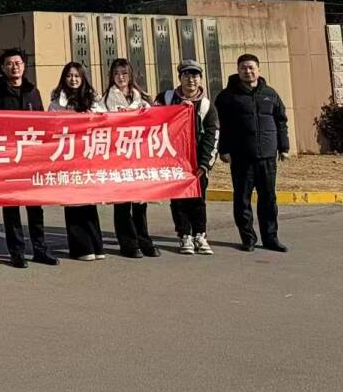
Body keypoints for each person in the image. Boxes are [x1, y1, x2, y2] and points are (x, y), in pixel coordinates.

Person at [0, 47, 59, 269]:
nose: (14, 67)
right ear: (3, 67)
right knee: (11, 207)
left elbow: (43, 123)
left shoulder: (33, 91)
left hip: (31, 157)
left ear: (24, 66)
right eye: (9, 64)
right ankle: (16, 252)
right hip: (8, 157)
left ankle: (40, 249)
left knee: (35, 207)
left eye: (17, 63)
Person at [215, 53, 290, 253]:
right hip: (241, 157)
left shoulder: (270, 94)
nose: (247, 71)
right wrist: (223, 150)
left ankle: (270, 238)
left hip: (267, 156)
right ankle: (248, 238)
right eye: (243, 68)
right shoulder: (227, 96)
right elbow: (222, 125)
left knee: (268, 199)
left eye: (251, 68)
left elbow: (281, 121)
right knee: (242, 200)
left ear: (258, 70)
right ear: (237, 70)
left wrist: (284, 147)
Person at [49, 62, 107, 261]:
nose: (73, 79)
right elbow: (51, 128)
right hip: (68, 157)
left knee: (89, 202)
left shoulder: (93, 100)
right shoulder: (56, 103)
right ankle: (81, 248)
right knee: (73, 203)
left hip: (88, 156)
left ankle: (96, 246)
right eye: (69, 76)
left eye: (77, 76)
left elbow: (104, 123)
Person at [161, 60, 220, 255]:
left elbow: (212, 135)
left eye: (194, 75)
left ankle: (200, 235)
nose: (190, 80)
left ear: (200, 79)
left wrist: (204, 164)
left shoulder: (206, 105)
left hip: (196, 163)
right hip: (173, 161)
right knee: (178, 200)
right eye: (186, 75)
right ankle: (184, 235)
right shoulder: (167, 99)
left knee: (198, 199)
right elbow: (152, 121)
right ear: (180, 78)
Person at [103, 58, 158, 259]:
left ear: (130, 75)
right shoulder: (106, 100)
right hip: (118, 157)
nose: (121, 77)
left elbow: (157, 118)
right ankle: (128, 243)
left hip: (139, 156)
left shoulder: (141, 98)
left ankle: (144, 240)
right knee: (123, 203)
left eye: (124, 73)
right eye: (117, 74)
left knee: (140, 203)